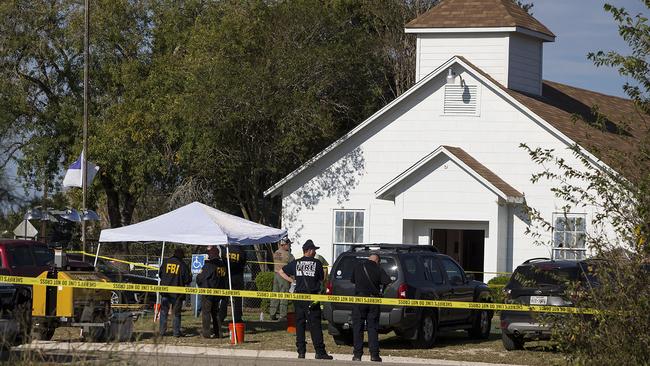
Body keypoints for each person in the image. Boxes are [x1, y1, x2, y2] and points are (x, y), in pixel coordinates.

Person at [279, 240, 333, 360]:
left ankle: (301, 352)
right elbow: (321, 279)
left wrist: (293, 281)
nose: (315, 252)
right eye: (314, 250)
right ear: (308, 250)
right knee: (315, 326)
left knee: (300, 325)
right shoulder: (317, 263)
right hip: (312, 298)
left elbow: (281, 271)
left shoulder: (296, 263)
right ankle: (320, 352)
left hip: (298, 298)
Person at [350, 254, 392, 362]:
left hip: (359, 299)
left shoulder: (358, 266)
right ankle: (374, 355)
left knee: (357, 327)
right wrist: (382, 292)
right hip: (373, 300)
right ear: (377, 261)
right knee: (372, 328)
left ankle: (357, 355)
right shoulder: (378, 268)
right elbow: (387, 282)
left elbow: (353, 280)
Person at [158, 248, 191, 337]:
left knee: (164, 312)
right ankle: (176, 332)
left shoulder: (165, 262)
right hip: (177, 293)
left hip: (165, 291)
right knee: (176, 313)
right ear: (180, 255)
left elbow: (160, 274)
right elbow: (187, 279)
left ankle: (162, 331)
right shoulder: (182, 264)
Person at [197, 247, 228, 338]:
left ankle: (206, 333)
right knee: (216, 313)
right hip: (218, 292)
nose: (208, 255)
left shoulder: (209, 265)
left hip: (208, 292)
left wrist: (199, 281)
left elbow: (201, 278)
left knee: (206, 313)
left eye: (209, 254)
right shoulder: (222, 265)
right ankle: (218, 333)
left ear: (212, 254)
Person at [219, 244, 247, 323]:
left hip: (227, 276)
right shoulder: (241, 250)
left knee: (225, 297)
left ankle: (221, 315)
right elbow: (243, 263)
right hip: (238, 276)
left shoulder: (225, 249)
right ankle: (237, 317)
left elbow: (223, 261)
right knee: (238, 298)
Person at [269, 237, 295, 320]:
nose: (290, 246)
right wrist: (293, 279)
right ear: (285, 244)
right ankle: (282, 315)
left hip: (276, 274)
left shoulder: (276, 252)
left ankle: (272, 314)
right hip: (284, 276)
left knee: (275, 295)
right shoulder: (288, 255)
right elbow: (293, 266)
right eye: (289, 244)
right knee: (284, 295)